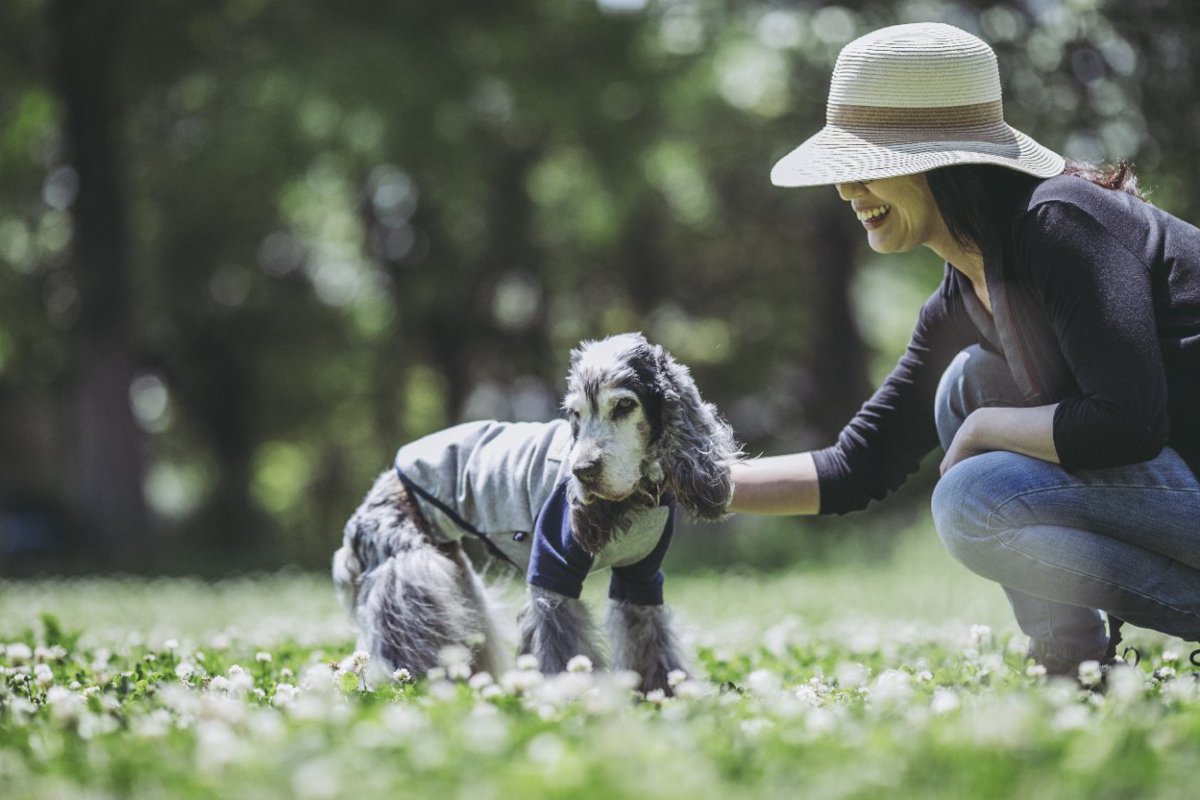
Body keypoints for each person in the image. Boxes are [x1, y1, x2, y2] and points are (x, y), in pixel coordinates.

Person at [728, 22, 1200, 675]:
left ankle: (1078, 657)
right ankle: (1076, 664)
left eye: (867, 165)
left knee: (972, 496)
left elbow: (1129, 420)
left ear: (942, 160)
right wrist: (681, 483)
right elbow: (858, 465)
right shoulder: (964, 291)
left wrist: (985, 429)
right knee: (966, 382)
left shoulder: (1060, 224)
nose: (846, 190)